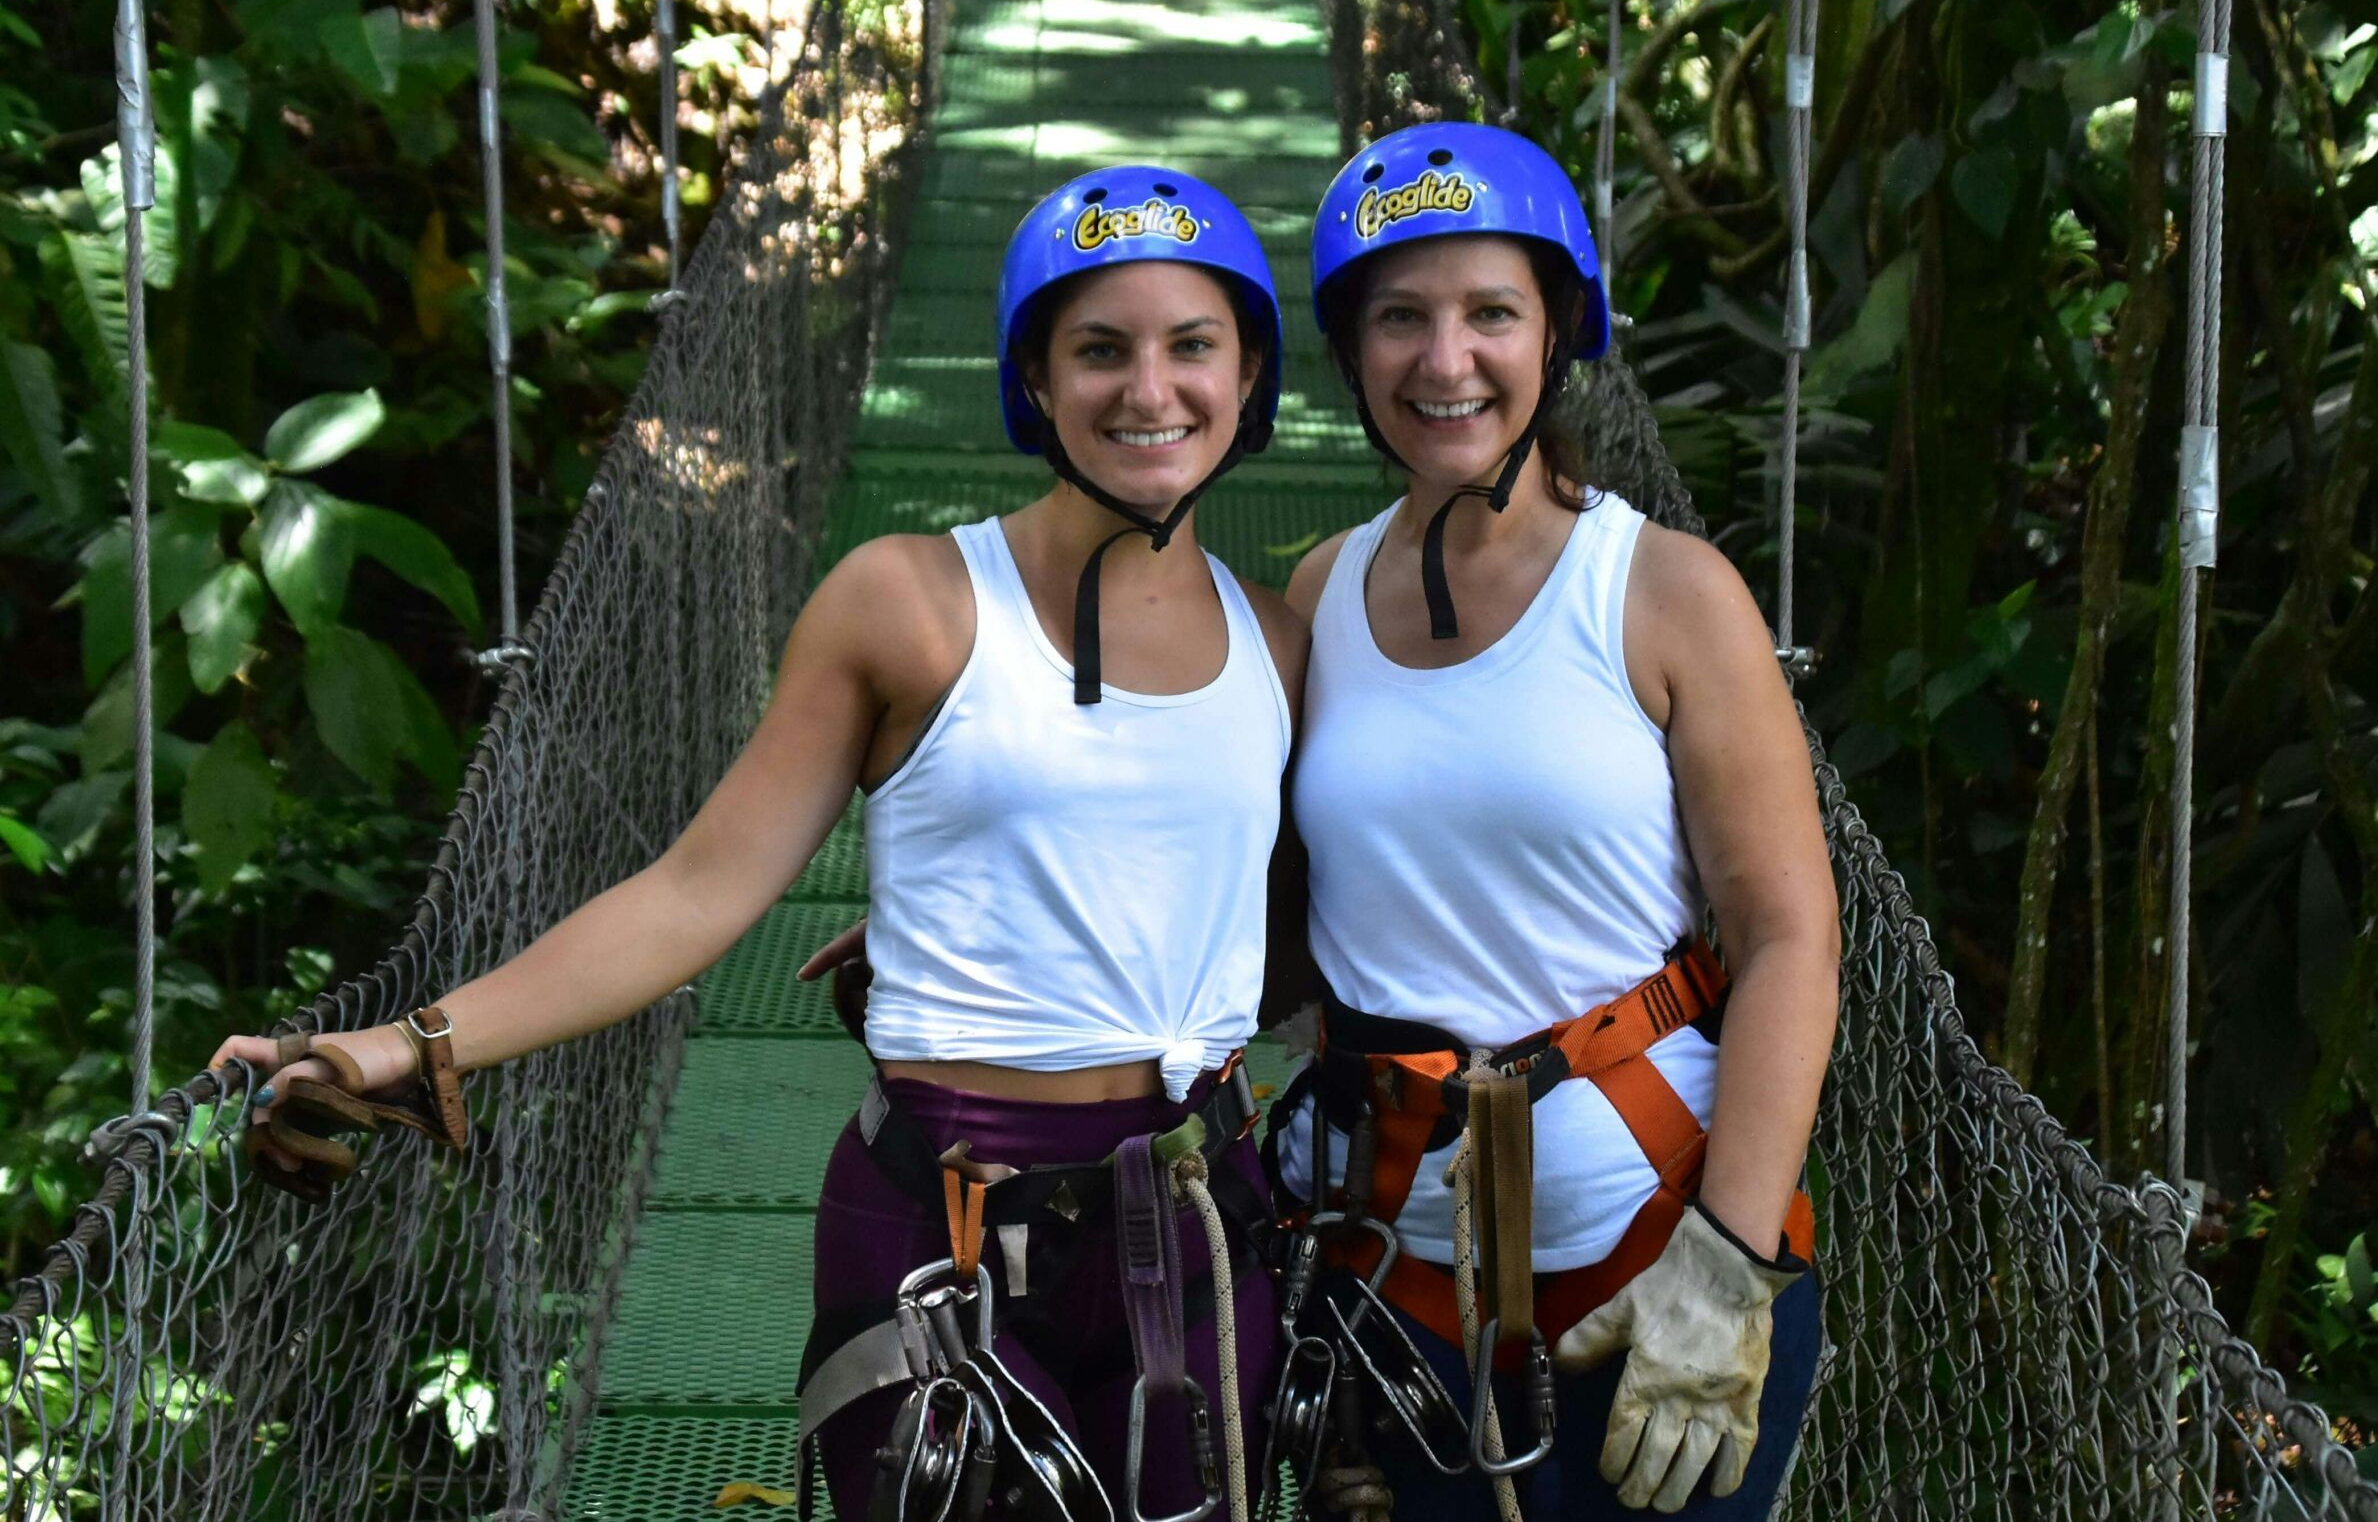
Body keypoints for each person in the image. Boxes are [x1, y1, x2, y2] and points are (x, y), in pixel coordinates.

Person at [213, 164, 1308, 1522]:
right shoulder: (908, 603)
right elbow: (696, 888)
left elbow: (1304, 899)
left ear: (1250, 373)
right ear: (1034, 378)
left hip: (1197, 1221)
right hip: (945, 1233)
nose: (1151, 392)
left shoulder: (1280, 641)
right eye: (1100, 349)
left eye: (1191, 346)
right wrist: (408, 1045)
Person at [1270, 121, 1837, 1520]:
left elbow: (1789, 938)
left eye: (1490, 315)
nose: (1443, 359)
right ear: (1352, 352)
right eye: (1399, 317)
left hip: (1657, 1261)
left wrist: (1727, 1263)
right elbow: (1259, 927)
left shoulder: (1665, 594)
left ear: (1557, 333)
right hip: (1384, 1286)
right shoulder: (1316, 596)